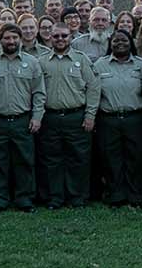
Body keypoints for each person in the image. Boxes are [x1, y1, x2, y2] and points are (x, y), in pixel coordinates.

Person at [0, 24, 47, 212]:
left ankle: (24, 199)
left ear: (20, 39)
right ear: (0, 39)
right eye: (7, 38)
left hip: (23, 120)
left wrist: (37, 117)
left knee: (24, 161)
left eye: (15, 38)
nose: (11, 41)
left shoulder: (32, 62)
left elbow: (39, 93)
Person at [38, 24, 100, 208]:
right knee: (51, 160)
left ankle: (76, 197)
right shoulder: (42, 62)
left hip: (76, 116)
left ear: (70, 37)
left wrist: (90, 115)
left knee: (78, 159)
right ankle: (55, 197)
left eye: (64, 36)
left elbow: (94, 88)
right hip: (50, 117)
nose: (60, 39)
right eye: (56, 36)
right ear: (50, 37)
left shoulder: (81, 60)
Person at [93, 30, 142, 206]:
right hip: (108, 118)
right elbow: (94, 93)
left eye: (124, 40)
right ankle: (115, 194)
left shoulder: (141, 65)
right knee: (111, 159)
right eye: (116, 41)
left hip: (135, 118)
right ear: (110, 44)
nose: (120, 43)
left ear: (130, 43)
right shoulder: (99, 65)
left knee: (136, 157)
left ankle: (135, 194)